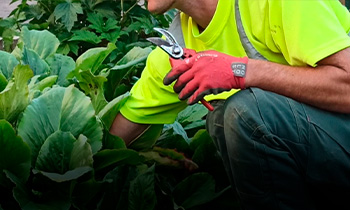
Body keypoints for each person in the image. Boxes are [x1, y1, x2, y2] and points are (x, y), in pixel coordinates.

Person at [110, 0, 350, 209]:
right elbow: (114, 142)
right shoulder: (176, 51)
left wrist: (240, 71)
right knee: (221, 119)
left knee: (246, 114)